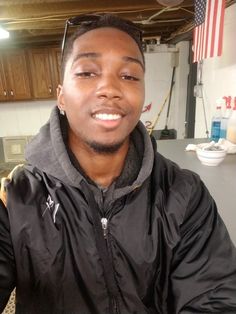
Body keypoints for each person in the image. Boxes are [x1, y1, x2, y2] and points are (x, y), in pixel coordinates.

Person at [0, 14, 236, 314]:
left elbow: (215, 299)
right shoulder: (16, 199)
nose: (109, 88)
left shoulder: (185, 194)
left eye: (129, 76)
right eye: (87, 72)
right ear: (61, 96)